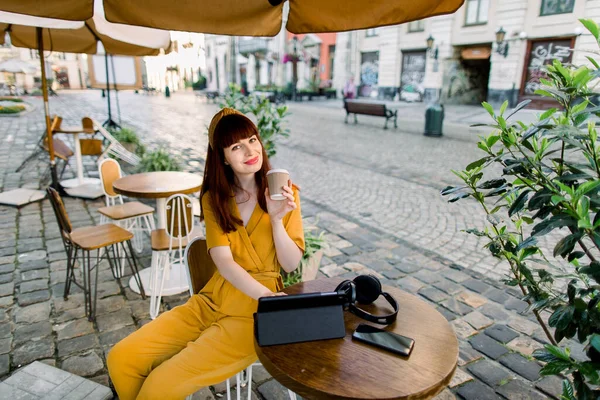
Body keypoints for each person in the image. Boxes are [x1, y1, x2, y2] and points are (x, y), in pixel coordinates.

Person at [106, 108, 305, 400]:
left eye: (252, 139)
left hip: (254, 313)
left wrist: (276, 219)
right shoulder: (214, 199)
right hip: (211, 301)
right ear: (223, 157)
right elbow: (223, 263)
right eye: (237, 146)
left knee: (160, 386)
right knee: (120, 358)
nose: (250, 150)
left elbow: (290, 263)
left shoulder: (285, 194)